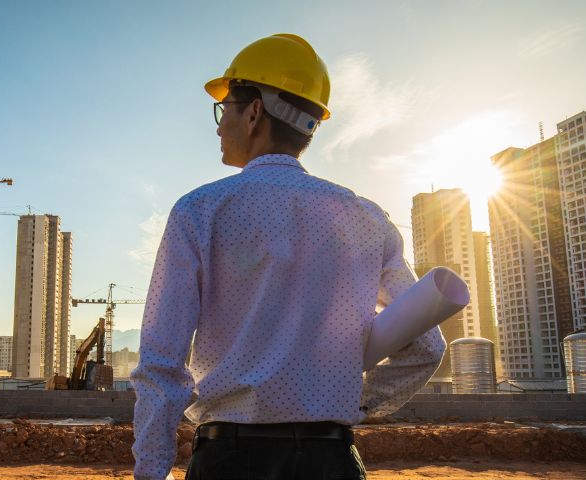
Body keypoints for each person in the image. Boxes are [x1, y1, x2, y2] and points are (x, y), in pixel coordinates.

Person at [131, 33, 446, 480]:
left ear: (255, 111)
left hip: (230, 462)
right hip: (331, 461)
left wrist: (150, 472)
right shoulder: (367, 219)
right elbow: (427, 346)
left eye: (225, 110)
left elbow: (162, 366)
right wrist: (350, 402)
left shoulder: (200, 211)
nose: (220, 125)